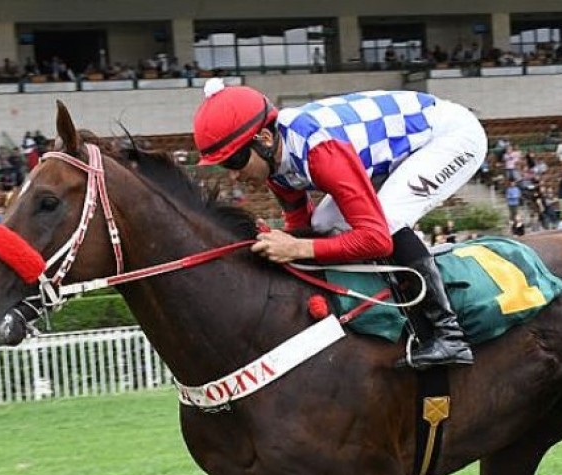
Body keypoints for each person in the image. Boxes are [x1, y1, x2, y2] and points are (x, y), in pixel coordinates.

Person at [192, 79, 482, 368]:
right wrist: (279, 246)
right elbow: (302, 225)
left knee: (389, 219)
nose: (233, 176)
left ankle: (450, 335)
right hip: (392, 152)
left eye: (234, 162)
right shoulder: (276, 161)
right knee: (322, 223)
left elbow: (376, 239)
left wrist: (296, 247)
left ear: (264, 139)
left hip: (449, 135)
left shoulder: (320, 151)